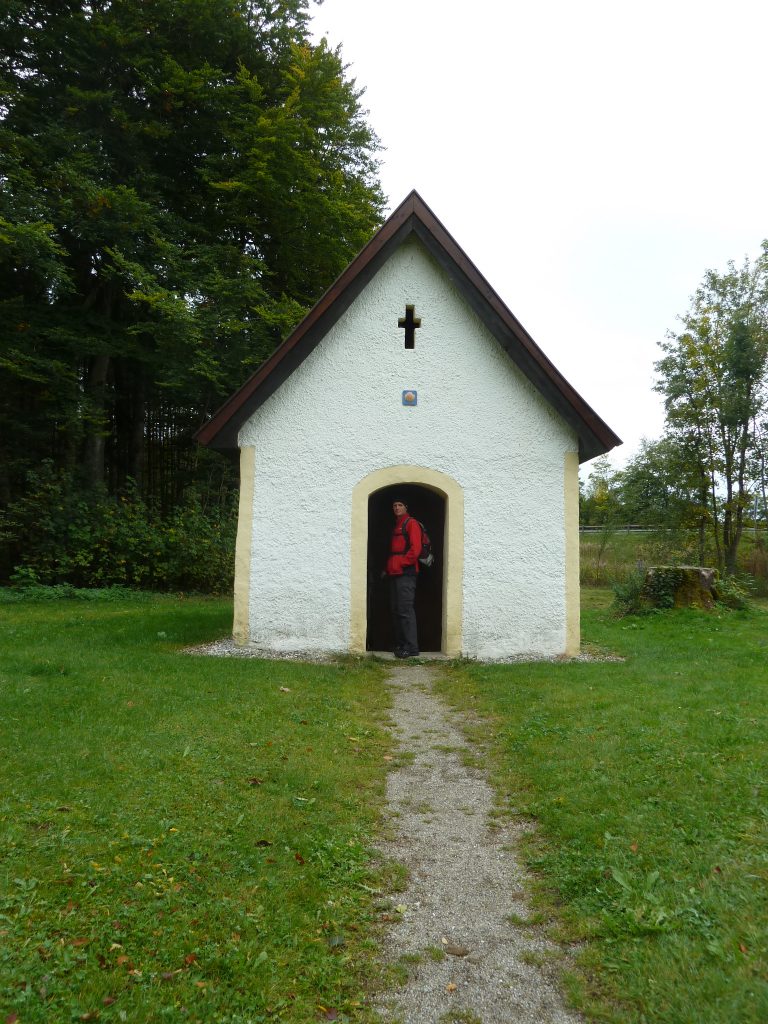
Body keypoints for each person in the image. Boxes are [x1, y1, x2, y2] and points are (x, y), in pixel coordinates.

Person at [386, 499, 422, 658]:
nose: (396, 508)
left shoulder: (411, 523)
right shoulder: (397, 524)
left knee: (405, 610)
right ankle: (402, 645)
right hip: (395, 573)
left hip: (406, 573)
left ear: (406, 507)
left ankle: (411, 648)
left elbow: (416, 549)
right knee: (396, 610)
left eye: (400, 505)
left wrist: (401, 563)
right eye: (394, 505)